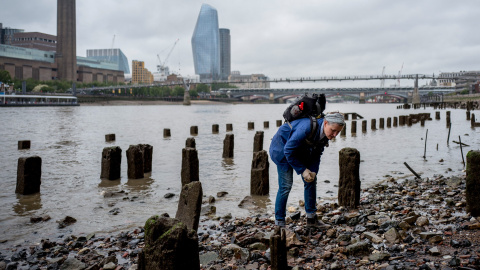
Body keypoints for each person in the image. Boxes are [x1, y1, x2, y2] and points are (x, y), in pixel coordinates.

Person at [269, 112, 345, 228]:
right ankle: (279, 223)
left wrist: (313, 171)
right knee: (285, 186)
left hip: (300, 149)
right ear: (325, 123)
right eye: (333, 130)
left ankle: (311, 219)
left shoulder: (325, 133)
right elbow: (288, 151)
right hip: (281, 149)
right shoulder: (305, 129)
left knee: (311, 180)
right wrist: (303, 170)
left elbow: (317, 153)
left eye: (338, 132)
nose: (335, 135)